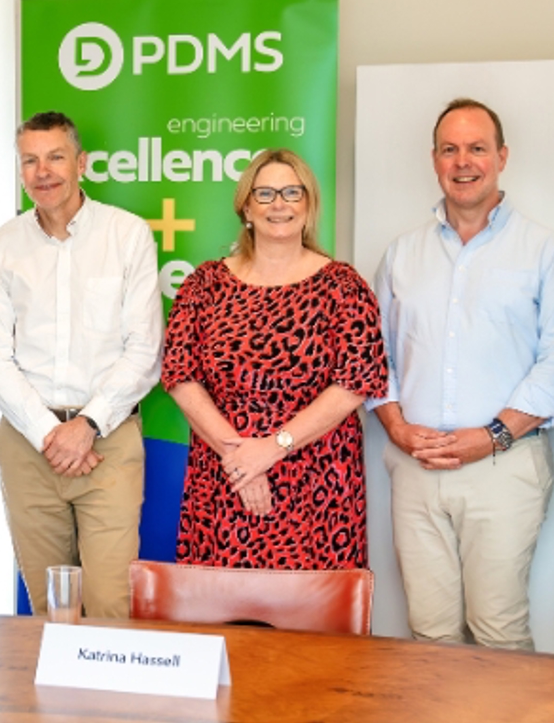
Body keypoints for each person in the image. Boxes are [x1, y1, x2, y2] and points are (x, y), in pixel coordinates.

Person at [368, 98, 554, 650]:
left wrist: (489, 437)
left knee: (498, 631)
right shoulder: (401, 255)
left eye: (477, 148)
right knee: (430, 634)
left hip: (504, 465)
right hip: (416, 467)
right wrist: (395, 427)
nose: (463, 162)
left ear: (502, 157)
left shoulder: (545, 252)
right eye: (450, 149)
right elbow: (377, 357)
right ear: (434, 159)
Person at [162, 149, 387, 569]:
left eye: (291, 192)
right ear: (246, 206)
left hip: (317, 483)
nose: (279, 204)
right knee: (222, 616)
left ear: (309, 204)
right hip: (225, 479)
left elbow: (355, 382)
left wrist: (272, 449)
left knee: (314, 625)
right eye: (265, 194)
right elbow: (180, 375)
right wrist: (241, 461)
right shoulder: (205, 284)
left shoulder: (343, 286)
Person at [0, 111, 162, 619]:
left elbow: (146, 350)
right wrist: (48, 434)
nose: (43, 171)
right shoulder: (1, 248)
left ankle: (108, 702)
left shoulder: (126, 235)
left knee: (110, 606)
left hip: (108, 441)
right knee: (50, 609)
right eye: (30, 160)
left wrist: (86, 426)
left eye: (56, 156)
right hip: (27, 445)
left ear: (80, 162)